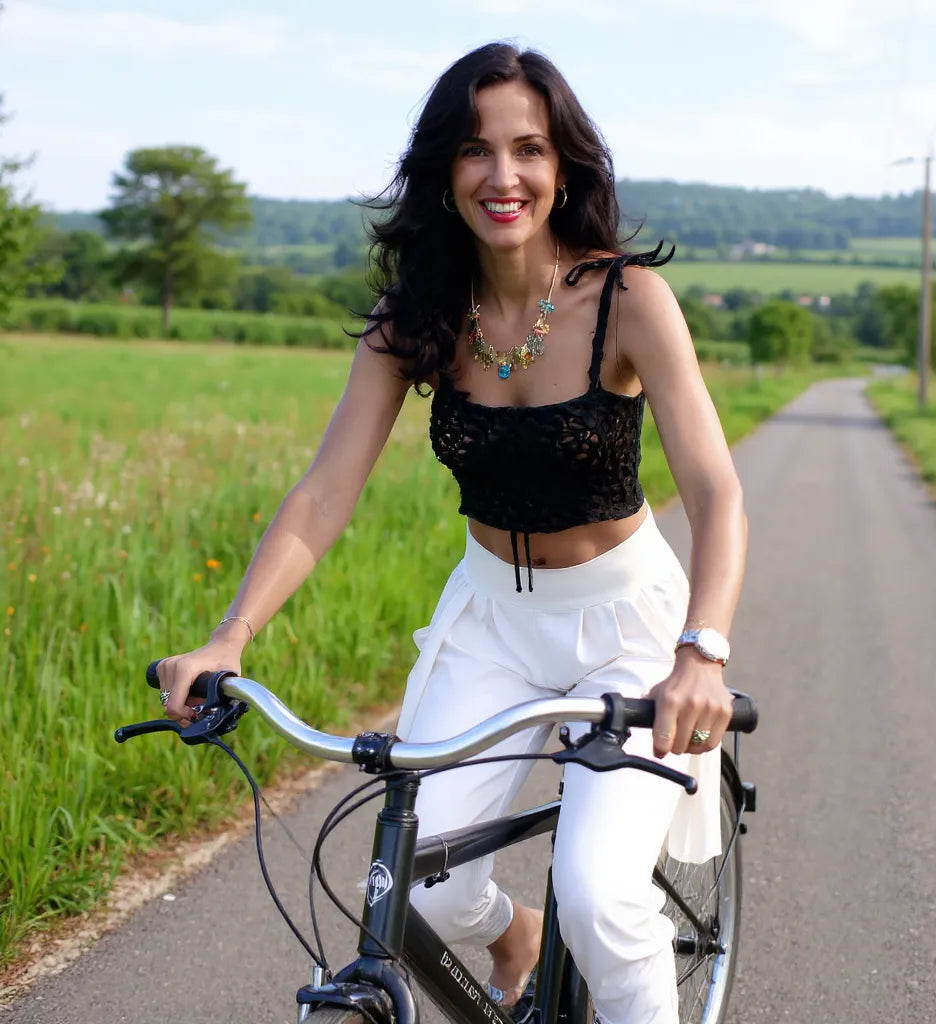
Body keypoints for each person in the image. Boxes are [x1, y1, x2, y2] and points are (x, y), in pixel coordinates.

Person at [159, 42, 746, 1024]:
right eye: (476, 151)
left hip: (629, 631)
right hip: (489, 623)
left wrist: (703, 650)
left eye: (528, 149)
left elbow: (716, 492)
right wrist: (231, 636)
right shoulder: (420, 317)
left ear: (564, 169)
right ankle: (516, 933)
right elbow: (321, 495)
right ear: (444, 172)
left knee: (602, 899)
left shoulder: (627, 301)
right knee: (412, 883)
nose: (503, 175)